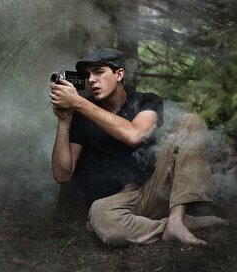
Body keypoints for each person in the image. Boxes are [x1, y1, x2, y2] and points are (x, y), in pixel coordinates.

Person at [49, 48, 226, 246]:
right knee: (103, 219)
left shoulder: (145, 101)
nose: (91, 80)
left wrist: (79, 102)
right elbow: (62, 174)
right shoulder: (81, 113)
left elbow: (136, 135)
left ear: (119, 74)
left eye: (99, 72)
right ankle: (170, 227)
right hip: (112, 204)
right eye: (88, 75)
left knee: (191, 122)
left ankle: (177, 219)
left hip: (149, 190)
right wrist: (64, 120)